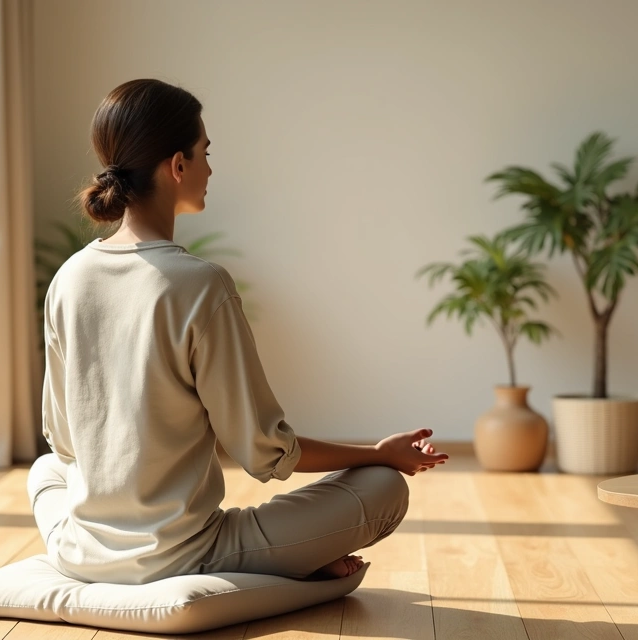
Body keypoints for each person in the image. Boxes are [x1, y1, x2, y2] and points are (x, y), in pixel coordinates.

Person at [27, 79, 448, 586]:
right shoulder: (201, 285)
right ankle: (287, 561)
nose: (210, 167)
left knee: (46, 473)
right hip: (184, 555)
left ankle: (274, 559)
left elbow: (64, 441)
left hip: (81, 550)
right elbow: (264, 452)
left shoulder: (69, 277)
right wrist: (378, 454)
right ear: (177, 166)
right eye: (205, 152)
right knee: (384, 488)